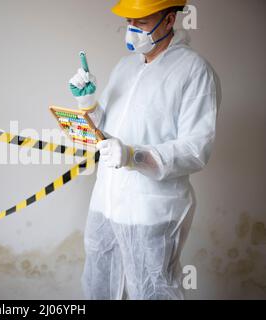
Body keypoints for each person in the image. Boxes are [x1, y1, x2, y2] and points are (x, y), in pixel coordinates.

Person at [69, 0, 221, 300]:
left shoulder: (194, 70)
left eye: (141, 22)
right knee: (100, 283)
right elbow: (109, 134)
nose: (132, 30)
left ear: (169, 20)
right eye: (129, 22)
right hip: (107, 201)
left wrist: (132, 156)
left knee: (153, 290)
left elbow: (196, 148)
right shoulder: (125, 66)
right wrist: (88, 106)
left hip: (152, 208)